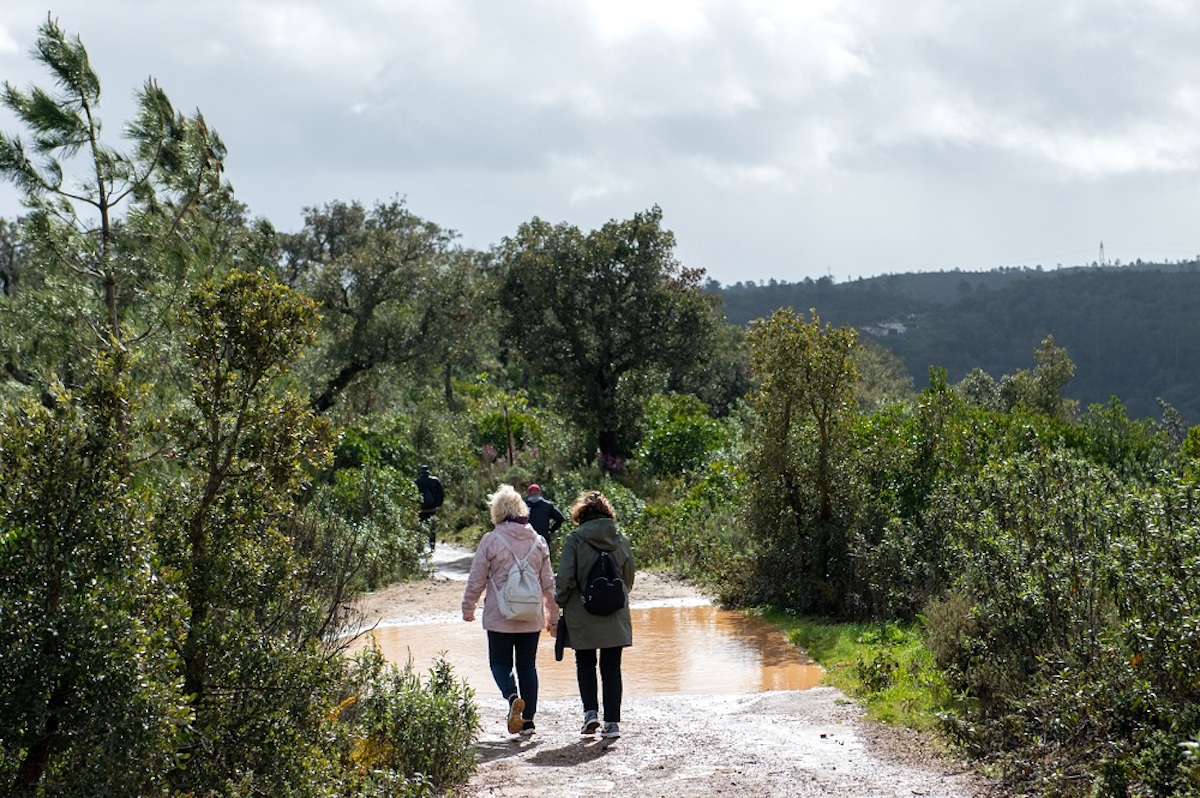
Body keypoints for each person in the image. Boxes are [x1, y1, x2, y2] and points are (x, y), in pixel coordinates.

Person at [462, 484, 559, 737]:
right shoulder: (538, 541)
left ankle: (512, 696)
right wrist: (553, 617)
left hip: (500, 616)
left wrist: (468, 607)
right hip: (530, 616)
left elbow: (477, 579)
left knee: (499, 663)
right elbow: (548, 583)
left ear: (496, 511)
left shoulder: (491, 540)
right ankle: (528, 722)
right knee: (528, 666)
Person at [554, 490, 635, 740]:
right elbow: (629, 576)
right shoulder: (620, 538)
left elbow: (565, 577)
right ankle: (612, 724)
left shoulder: (574, 539)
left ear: (581, 514)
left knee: (585, 662)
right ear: (608, 512)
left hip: (582, 611)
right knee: (612, 667)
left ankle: (591, 714)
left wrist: (561, 601)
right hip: (615, 612)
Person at [525, 483, 564, 551]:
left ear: (529, 493)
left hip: (527, 538)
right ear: (539, 493)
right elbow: (560, 518)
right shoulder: (548, 505)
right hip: (543, 538)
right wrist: (551, 530)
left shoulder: (523, 506)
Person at [414, 464, 445, 550]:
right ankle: (432, 546)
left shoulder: (416, 482)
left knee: (420, 528)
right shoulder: (435, 481)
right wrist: (439, 505)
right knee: (432, 528)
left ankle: (420, 546)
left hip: (421, 510)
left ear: (420, 473)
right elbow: (441, 494)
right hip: (432, 509)